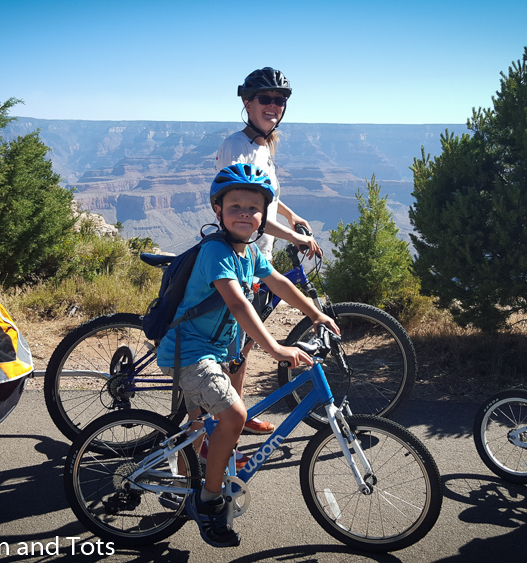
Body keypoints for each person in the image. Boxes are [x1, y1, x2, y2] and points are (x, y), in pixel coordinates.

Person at [156, 163, 339, 547]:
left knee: (198, 426)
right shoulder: (216, 252)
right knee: (235, 414)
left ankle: (179, 484)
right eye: (235, 205)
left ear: (262, 216)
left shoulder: (249, 252)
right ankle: (207, 502)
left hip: (211, 351)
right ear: (217, 211)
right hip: (189, 353)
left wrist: (316, 312)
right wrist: (275, 348)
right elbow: (239, 305)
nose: (244, 213)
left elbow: (278, 283)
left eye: (253, 208)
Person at [214, 66, 320, 436]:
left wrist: (292, 216)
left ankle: (235, 415)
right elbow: (244, 210)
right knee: (235, 340)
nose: (273, 106)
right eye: (266, 99)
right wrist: (298, 239)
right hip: (239, 255)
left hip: (259, 254)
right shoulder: (237, 146)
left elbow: (266, 197)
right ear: (247, 102)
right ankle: (222, 420)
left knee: (242, 344)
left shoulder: (262, 145)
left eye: (280, 100)